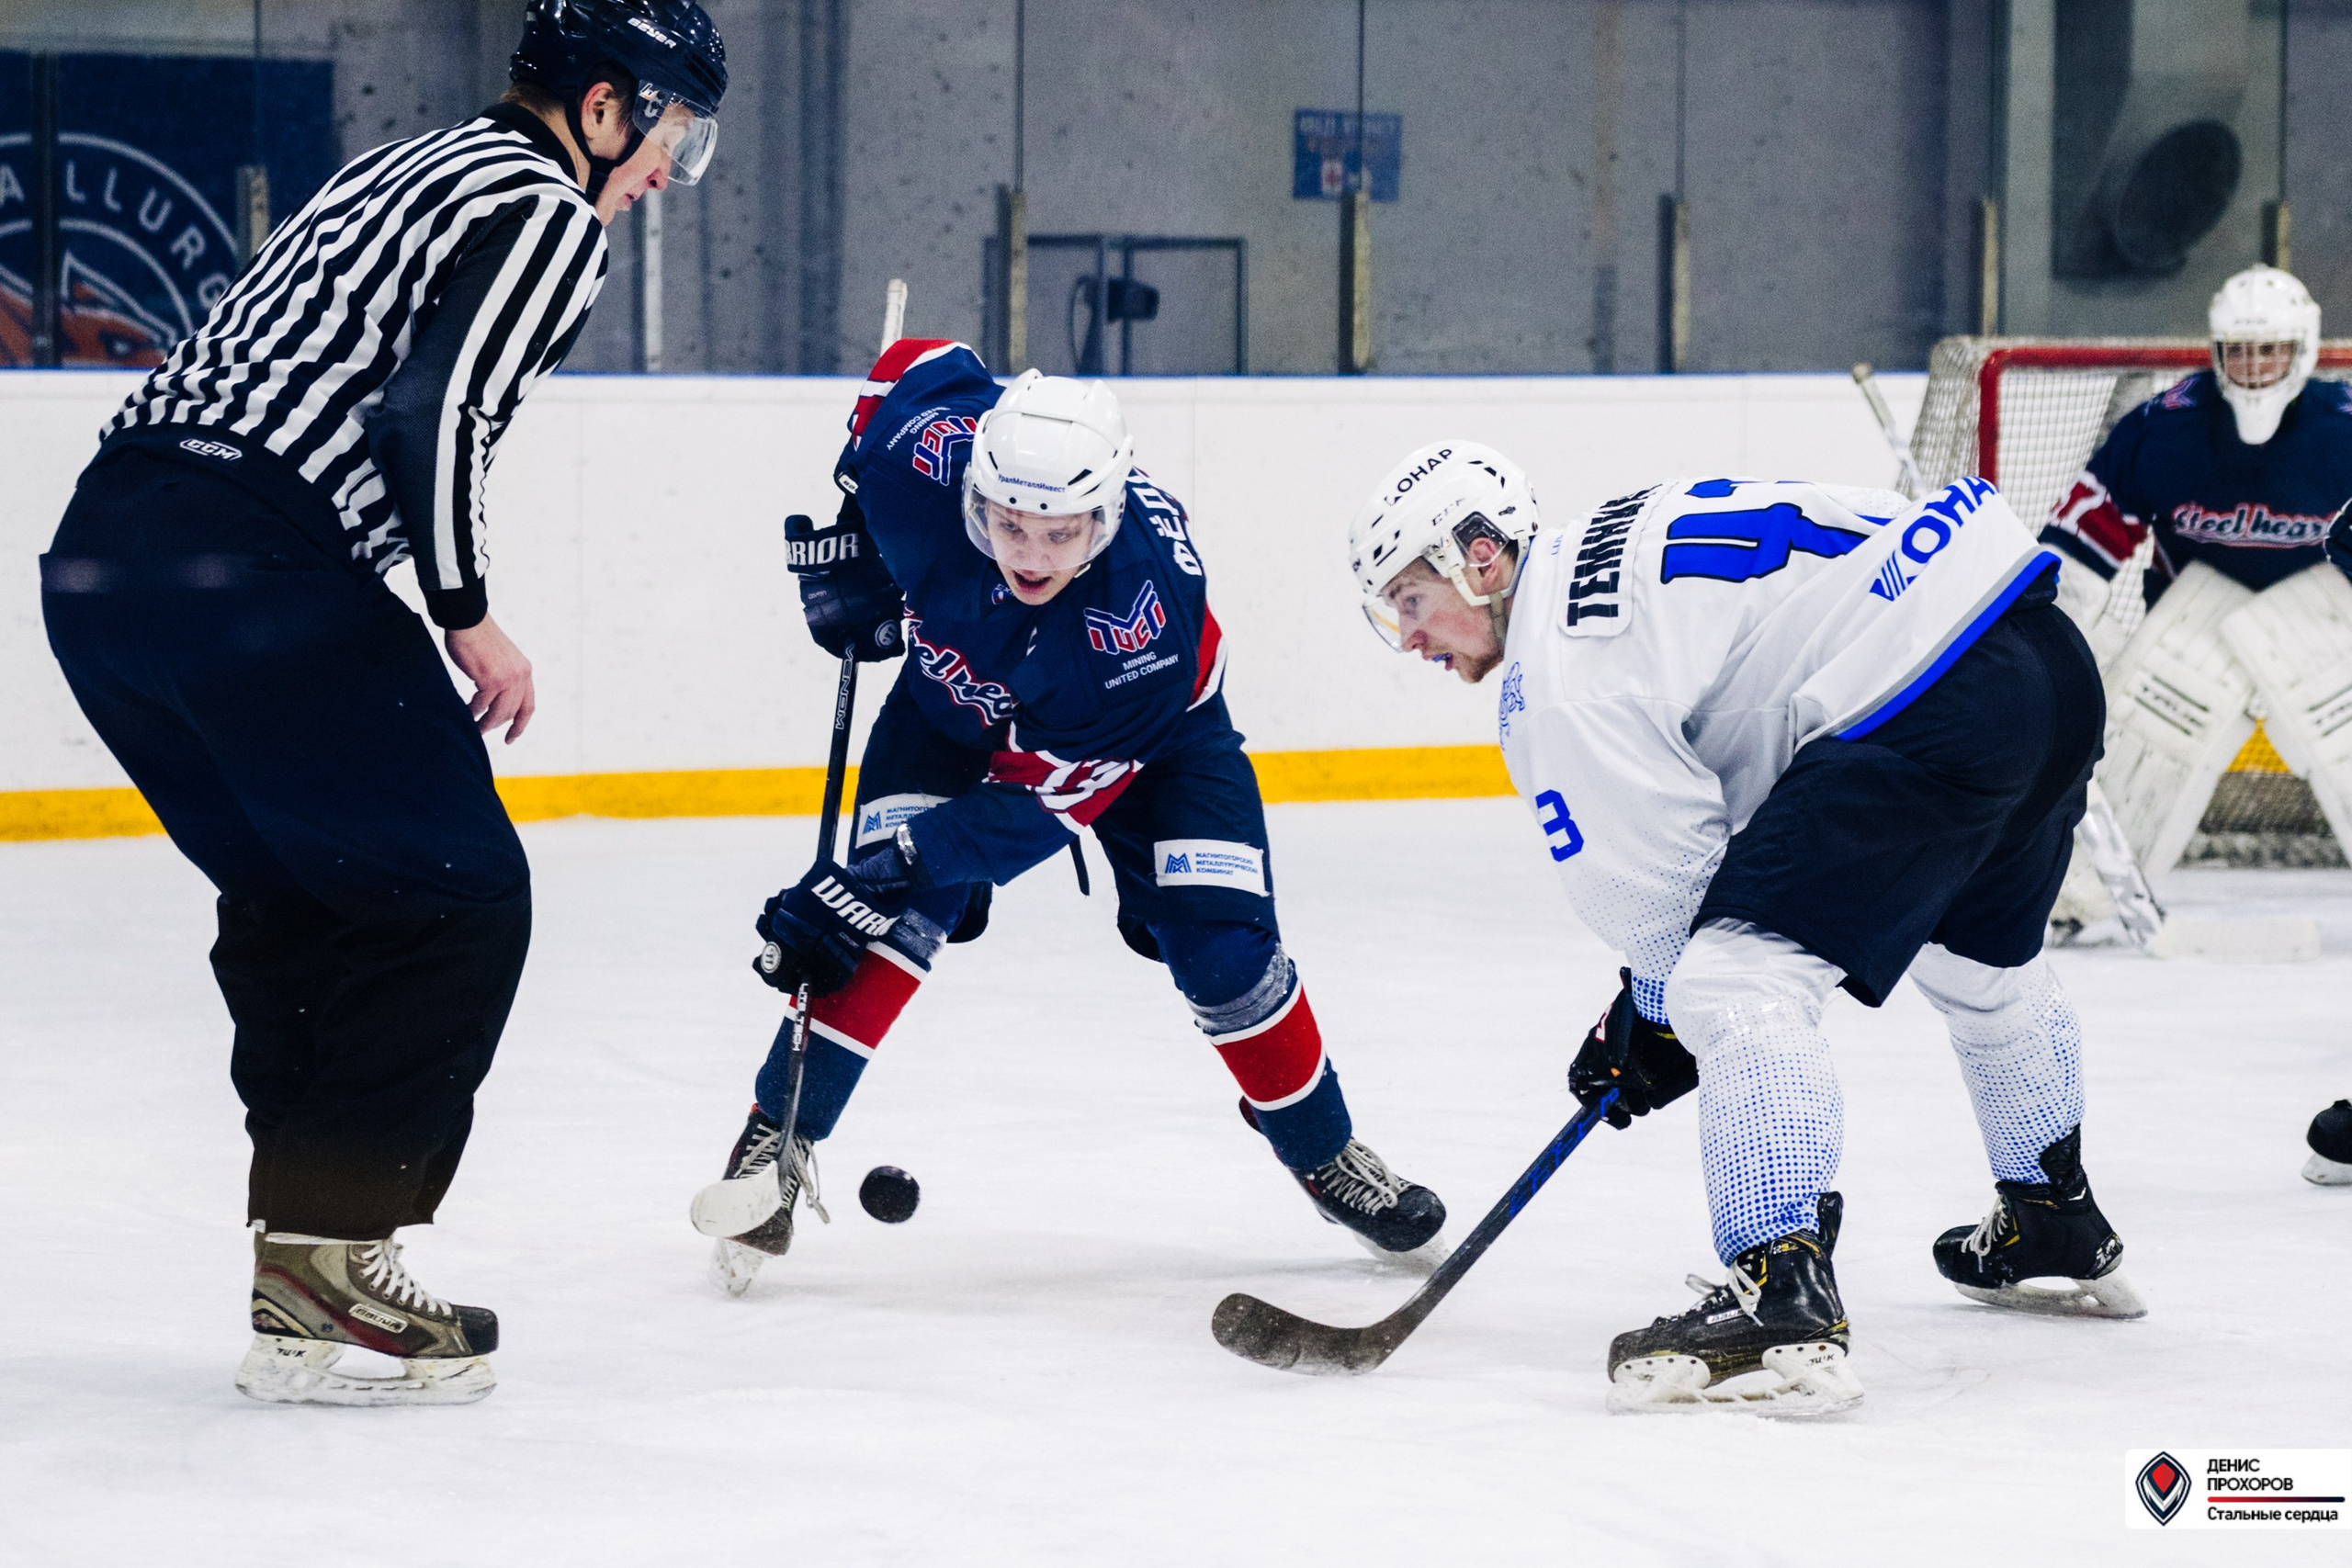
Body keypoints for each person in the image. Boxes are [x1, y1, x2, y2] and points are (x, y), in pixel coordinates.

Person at [38, 0, 727, 1406]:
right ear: (605, 106)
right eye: (675, 131)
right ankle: (334, 1246)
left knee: (307, 898)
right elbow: (434, 409)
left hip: (105, 564)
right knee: (456, 896)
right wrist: (468, 612)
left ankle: (307, 1263)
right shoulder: (547, 209)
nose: (669, 170)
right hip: (257, 560)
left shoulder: (403, 164)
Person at [1342, 443, 2145, 1415]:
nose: (1408, 637)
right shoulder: (1619, 529)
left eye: (1411, 599)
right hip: (2040, 659)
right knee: (1979, 965)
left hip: (1927, 702)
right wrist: (1649, 1014)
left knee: (1732, 984)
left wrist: (1649, 1019)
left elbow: (1667, 906)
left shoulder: (1560, 680)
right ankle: (2051, 1215)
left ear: (1478, 557)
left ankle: (1779, 1296)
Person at [691, 340, 1447, 1294]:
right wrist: (858, 530)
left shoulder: (1142, 622)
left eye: (1062, 533)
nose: (1031, 555)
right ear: (975, 491)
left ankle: (1323, 1151)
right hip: (949, 707)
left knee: (1222, 953)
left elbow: (1040, 806)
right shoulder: (915, 460)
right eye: (1009, 525)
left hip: (1158, 743)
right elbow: (920, 364)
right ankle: (776, 1140)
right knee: (885, 923)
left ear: (1107, 513)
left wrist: (898, 859)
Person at [2041, 265, 2352, 932]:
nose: (2254, 367)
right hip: (2194, 626)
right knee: (2133, 746)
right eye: (2239, 350)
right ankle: (2074, 897)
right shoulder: (2164, 428)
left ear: (2302, 350)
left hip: (2320, 624)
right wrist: (2050, 645)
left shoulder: (2343, 429)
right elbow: (2076, 552)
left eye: (2269, 350)